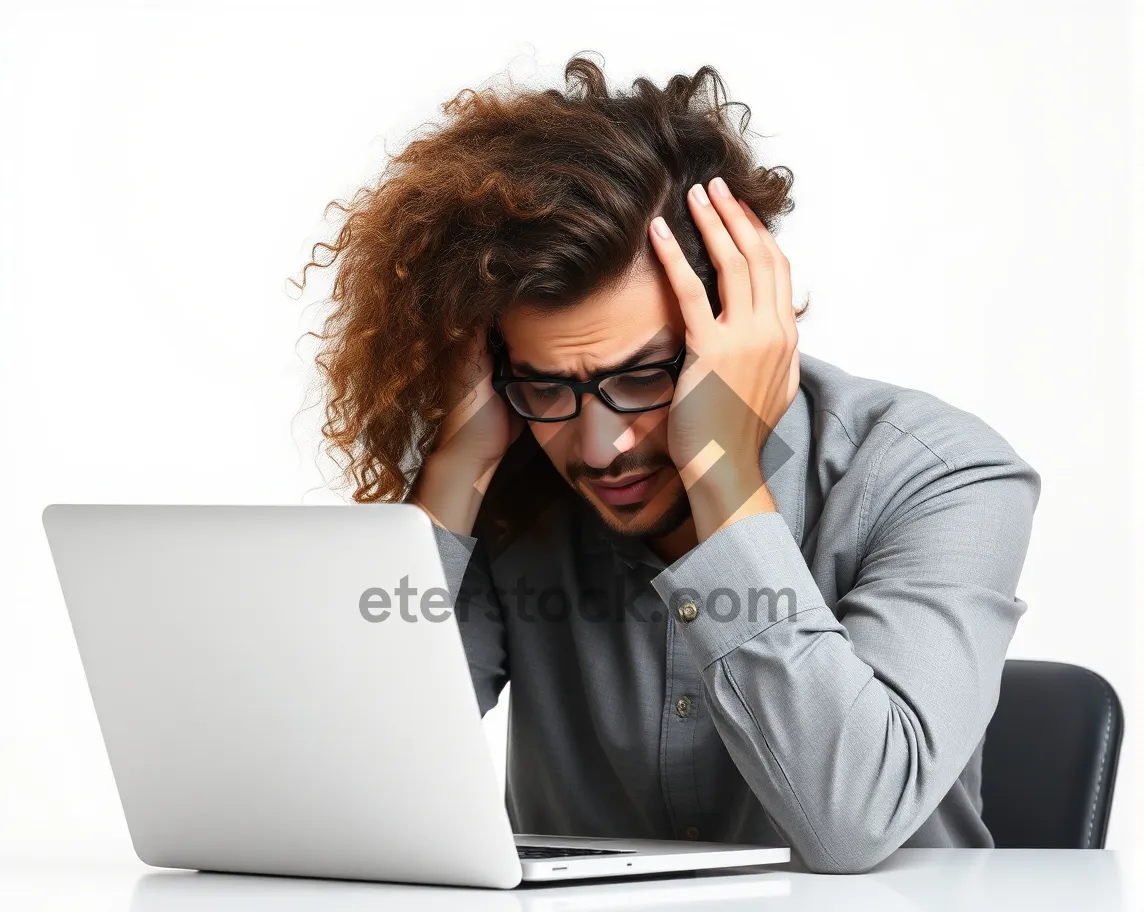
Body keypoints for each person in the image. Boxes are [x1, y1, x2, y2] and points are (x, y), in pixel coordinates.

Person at [294, 53, 1040, 874]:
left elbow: (850, 821)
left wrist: (721, 464)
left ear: (742, 328)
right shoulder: (511, 475)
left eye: (645, 376)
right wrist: (455, 467)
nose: (599, 445)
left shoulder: (940, 475)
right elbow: (337, 790)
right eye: (546, 385)